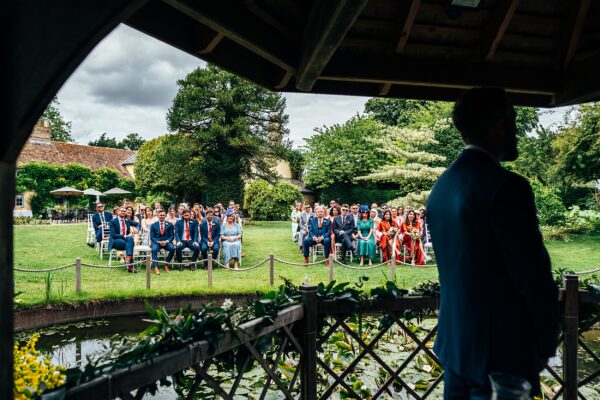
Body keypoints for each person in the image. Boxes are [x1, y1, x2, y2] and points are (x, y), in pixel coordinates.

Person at [427, 87, 559, 399]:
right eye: (513, 121)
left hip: (455, 347)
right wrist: (544, 343)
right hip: (501, 353)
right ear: (498, 124)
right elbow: (532, 276)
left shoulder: (441, 187)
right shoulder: (506, 187)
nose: (516, 132)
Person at [108, 207, 139, 272]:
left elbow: (137, 224)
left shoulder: (127, 220)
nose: (123, 212)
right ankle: (130, 266)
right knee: (130, 243)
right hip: (115, 241)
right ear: (118, 212)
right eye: (121, 211)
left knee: (130, 240)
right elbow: (113, 235)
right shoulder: (113, 221)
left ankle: (128, 259)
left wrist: (137, 228)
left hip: (126, 240)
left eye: (124, 211)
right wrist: (125, 236)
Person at [149, 210, 175, 275]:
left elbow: (172, 236)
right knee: (154, 250)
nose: (162, 216)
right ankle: (156, 267)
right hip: (157, 242)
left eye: (163, 215)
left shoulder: (170, 224)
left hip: (167, 242)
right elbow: (152, 237)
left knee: (172, 249)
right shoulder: (153, 225)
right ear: (158, 216)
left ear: (165, 216)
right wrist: (158, 241)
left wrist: (167, 241)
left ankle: (166, 264)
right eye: (160, 215)